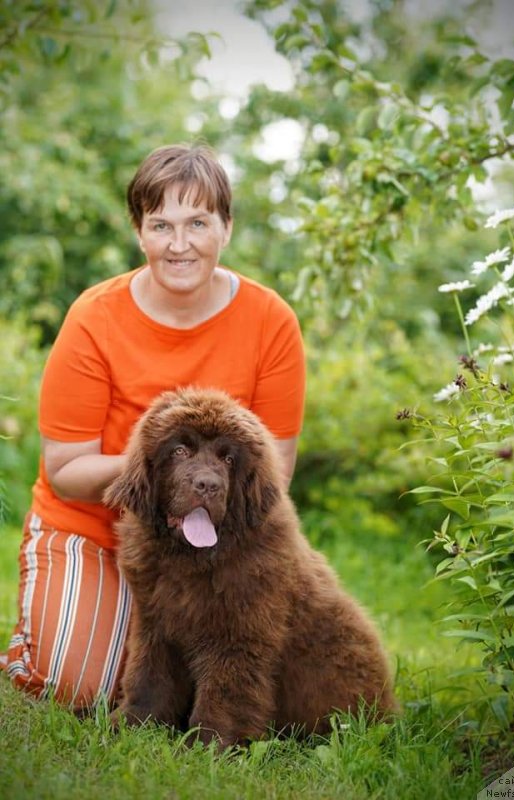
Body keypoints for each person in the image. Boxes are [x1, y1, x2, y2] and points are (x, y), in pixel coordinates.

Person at [0, 144, 306, 709]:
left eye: (198, 222)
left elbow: (275, 471)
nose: (180, 243)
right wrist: (165, 469)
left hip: (213, 545)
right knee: (81, 689)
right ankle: (37, 643)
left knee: (201, 663)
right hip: (89, 525)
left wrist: (201, 481)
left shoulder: (271, 321)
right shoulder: (94, 317)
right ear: (139, 232)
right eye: (161, 224)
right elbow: (66, 471)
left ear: (227, 228)